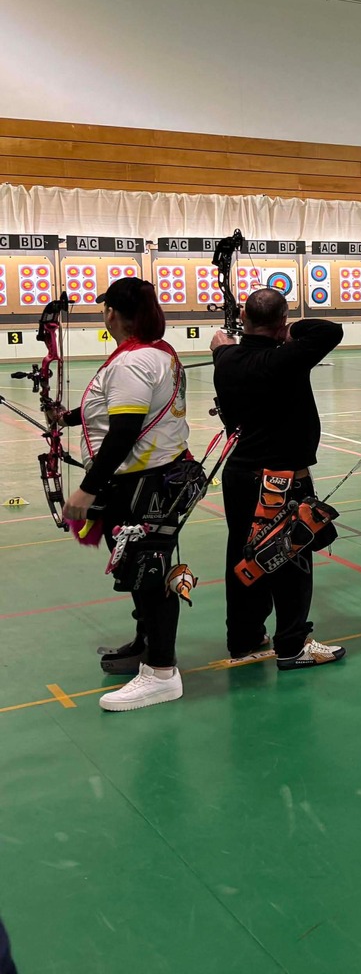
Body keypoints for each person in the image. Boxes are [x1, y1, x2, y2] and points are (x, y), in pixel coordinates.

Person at [58, 278, 193, 710]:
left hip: (142, 484)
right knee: (139, 571)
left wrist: (86, 490)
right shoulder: (157, 352)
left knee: (150, 576)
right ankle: (145, 645)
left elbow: (124, 431)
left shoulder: (133, 362)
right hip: (153, 478)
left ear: (112, 313)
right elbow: (126, 407)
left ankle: (161, 673)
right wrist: (71, 417)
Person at [211, 289, 346, 669]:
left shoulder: (226, 359)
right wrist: (289, 330)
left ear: (244, 318)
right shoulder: (286, 358)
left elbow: (223, 348)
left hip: (240, 476)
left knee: (243, 556)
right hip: (282, 483)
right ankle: (292, 646)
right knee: (291, 559)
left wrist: (226, 343)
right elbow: (330, 331)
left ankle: (244, 637)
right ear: (282, 321)